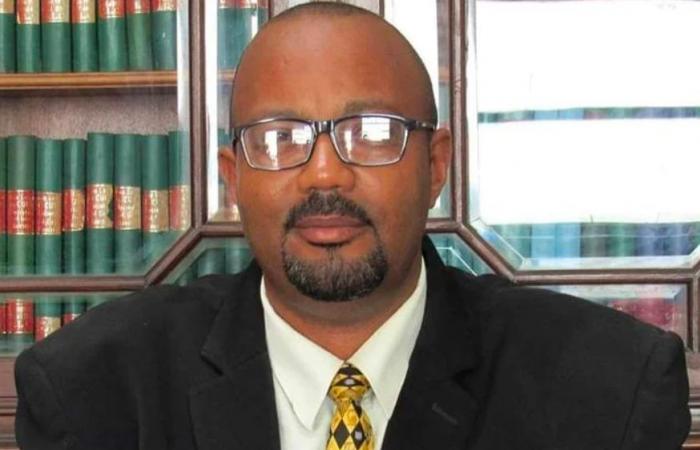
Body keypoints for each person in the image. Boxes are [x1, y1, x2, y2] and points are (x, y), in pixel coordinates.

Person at [14, 3, 690, 450]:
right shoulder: (93, 392)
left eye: (372, 132)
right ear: (234, 178)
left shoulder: (609, 388)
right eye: (279, 137)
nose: (325, 175)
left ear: (436, 166)